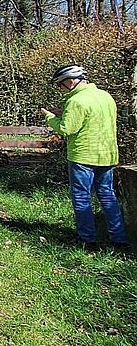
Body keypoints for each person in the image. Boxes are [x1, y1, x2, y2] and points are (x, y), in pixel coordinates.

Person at [41, 64, 129, 252]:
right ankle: (120, 240)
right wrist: (63, 114)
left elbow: (66, 129)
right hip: (107, 155)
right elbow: (92, 119)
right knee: (108, 197)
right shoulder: (105, 96)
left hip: (83, 157)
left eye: (60, 84)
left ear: (71, 81)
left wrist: (49, 118)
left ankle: (87, 241)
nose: (60, 88)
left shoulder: (77, 101)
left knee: (82, 198)